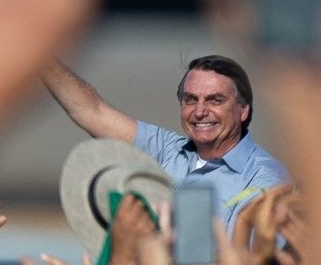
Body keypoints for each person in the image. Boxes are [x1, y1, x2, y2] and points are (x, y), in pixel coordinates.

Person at [41, 55, 288, 230]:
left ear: (243, 110)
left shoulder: (265, 180)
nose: (200, 112)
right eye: (191, 100)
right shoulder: (167, 149)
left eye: (215, 100)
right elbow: (92, 111)